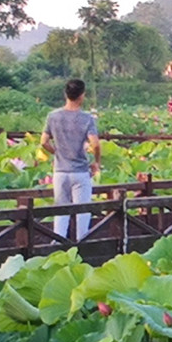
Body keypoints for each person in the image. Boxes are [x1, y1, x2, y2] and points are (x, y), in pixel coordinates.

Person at [42, 78, 100, 241]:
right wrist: (96, 162)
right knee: (82, 212)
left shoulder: (52, 116)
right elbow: (95, 144)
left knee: (61, 211)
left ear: (65, 94)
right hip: (80, 172)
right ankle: (81, 246)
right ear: (82, 96)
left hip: (60, 171)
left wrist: (57, 153)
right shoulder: (87, 118)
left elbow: (43, 142)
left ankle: (57, 246)